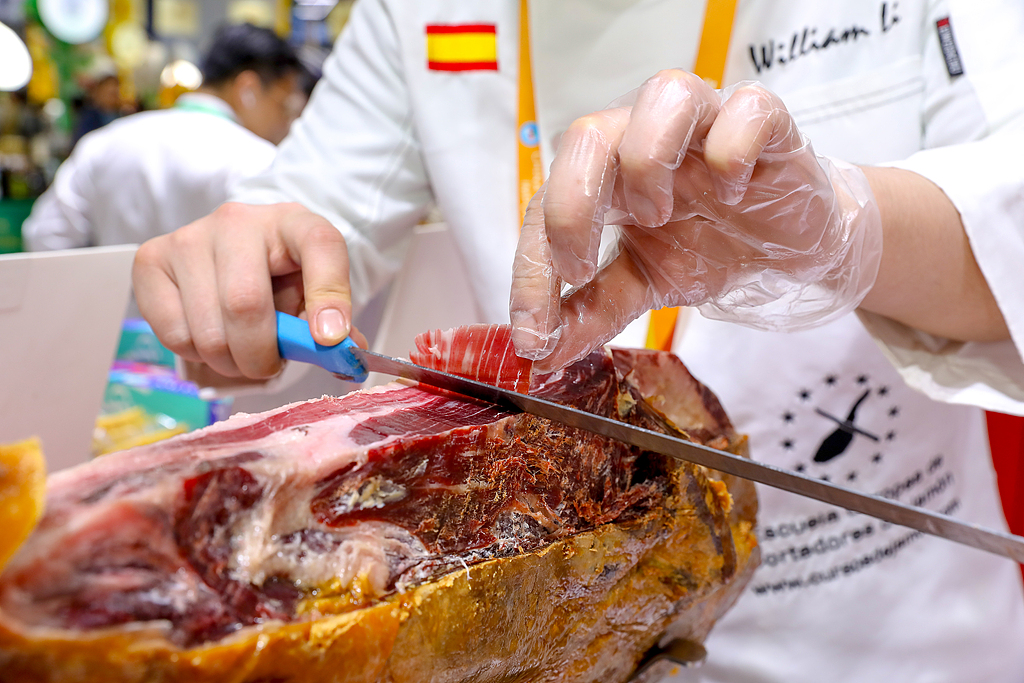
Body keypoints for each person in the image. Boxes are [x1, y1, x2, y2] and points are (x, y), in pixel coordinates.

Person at [131, 2, 1024, 681]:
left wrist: (846, 229)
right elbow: (315, 206)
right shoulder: (414, 14)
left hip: (894, 628)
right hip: (578, 615)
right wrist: (250, 268)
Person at [22, 23, 307, 251]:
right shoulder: (259, 160)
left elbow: (45, 237)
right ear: (248, 89)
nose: (287, 123)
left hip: (108, 320)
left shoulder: (104, 143)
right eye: (284, 106)